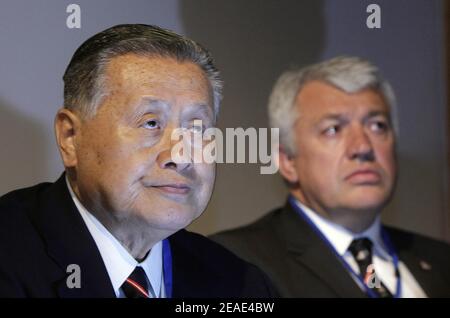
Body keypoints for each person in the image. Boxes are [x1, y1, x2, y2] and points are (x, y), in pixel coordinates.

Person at [0, 24, 275, 298]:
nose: (180, 156)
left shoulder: (239, 284)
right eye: (151, 123)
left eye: (196, 129)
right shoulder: (11, 258)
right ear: (71, 137)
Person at [212, 56, 450, 298]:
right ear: (287, 160)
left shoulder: (441, 259)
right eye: (333, 129)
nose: (363, 147)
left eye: (377, 125)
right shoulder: (234, 261)